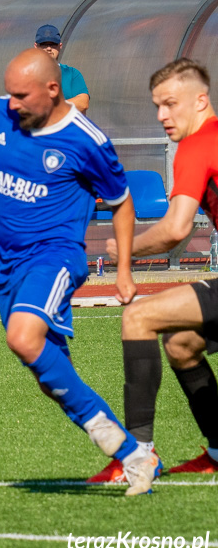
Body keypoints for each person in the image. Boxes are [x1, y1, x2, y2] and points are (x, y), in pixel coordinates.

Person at [0, 48, 161, 496]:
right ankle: (133, 454)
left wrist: (124, 270)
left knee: (23, 338)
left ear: (52, 89)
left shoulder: (87, 141)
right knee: (50, 375)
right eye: (9, 94)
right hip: (3, 265)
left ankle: (133, 453)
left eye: (21, 95)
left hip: (54, 257)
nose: (13, 103)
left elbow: (122, 203)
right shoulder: (1, 114)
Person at [88, 58, 218, 484]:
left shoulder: (198, 145)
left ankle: (138, 454)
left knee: (138, 316)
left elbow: (175, 230)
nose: (162, 115)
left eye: (170, 104)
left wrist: (124, 248)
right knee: (182, 344)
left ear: (201, 101)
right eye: (156, 106)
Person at [35, 24, 90, 114]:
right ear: (36, 46)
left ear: (60, 46)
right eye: (44, 45)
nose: (49, 48)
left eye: (53, 45)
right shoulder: (28, 74)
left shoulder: (72, 73)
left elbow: (83, 104)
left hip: (68, 127)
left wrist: (48, 107)